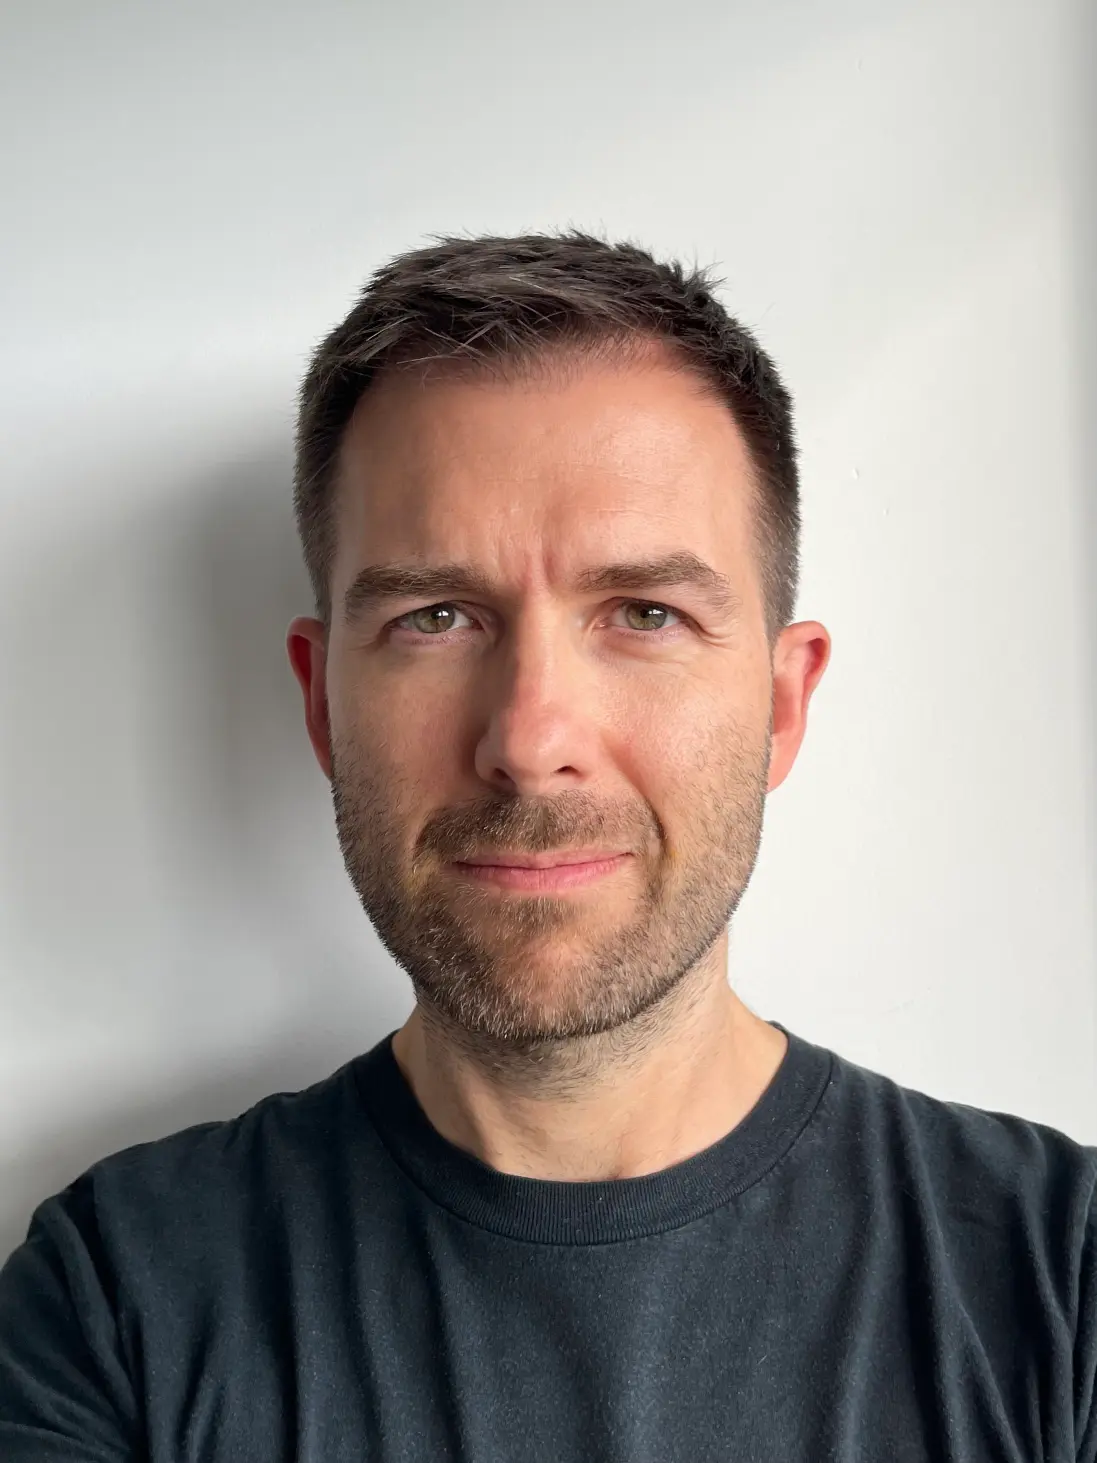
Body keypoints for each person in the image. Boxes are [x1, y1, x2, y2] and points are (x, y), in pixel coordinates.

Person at [0, 229, 1094, 1462]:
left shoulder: (1061, 1283)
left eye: (643, 612)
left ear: (782, 703)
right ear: (321, 704)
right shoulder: (116, 1301)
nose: (529, 738)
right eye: (435, 616)